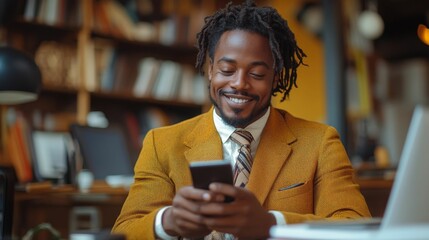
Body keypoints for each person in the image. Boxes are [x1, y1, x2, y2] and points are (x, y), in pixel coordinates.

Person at [112, 0, 371, 239]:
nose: (239, 84)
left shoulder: (320, 142)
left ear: (276, 78)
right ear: (210, 69)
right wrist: (167, 222)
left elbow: (355, 225)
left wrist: (272, 224)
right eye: (227, 70)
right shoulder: (162, 143)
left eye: (257, 74)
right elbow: (125, 231)